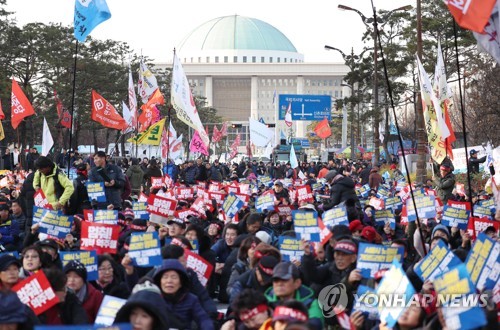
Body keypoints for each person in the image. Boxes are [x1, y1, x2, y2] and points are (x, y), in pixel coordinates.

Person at [153, 259, 215, 330]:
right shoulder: (153, 299)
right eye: (165, 277)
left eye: (174, 277)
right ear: (159, 281)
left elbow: (203, 319)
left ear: (181, 282)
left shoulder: (191, 299)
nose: (169, 281)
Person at [264, 262, 323, 329]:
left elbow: (316, 325)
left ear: (297, 283)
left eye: (284, 279)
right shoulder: (265, 302)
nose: (279, 284)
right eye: (276, 280)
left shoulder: (310, 303)